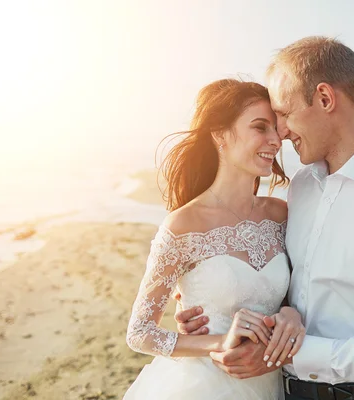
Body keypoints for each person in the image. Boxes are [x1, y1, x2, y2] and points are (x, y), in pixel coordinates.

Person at [175, 37, 354, 400]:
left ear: (325, 99)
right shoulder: (302, 186)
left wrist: (294, 351)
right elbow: (287, 281)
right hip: (276, 390)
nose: (279, 133)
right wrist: (210, 308)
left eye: (284, 114)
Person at [123, 78, 303, 399]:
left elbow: (295, 293)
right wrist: (218, 342)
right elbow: (140, 333)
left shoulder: (281, 214)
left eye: (276, 130)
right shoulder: (183, 225)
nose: (276, 140)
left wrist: (290, 313)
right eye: (261, 128)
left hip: (271, 383)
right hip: (202, 386)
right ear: (220, 134)